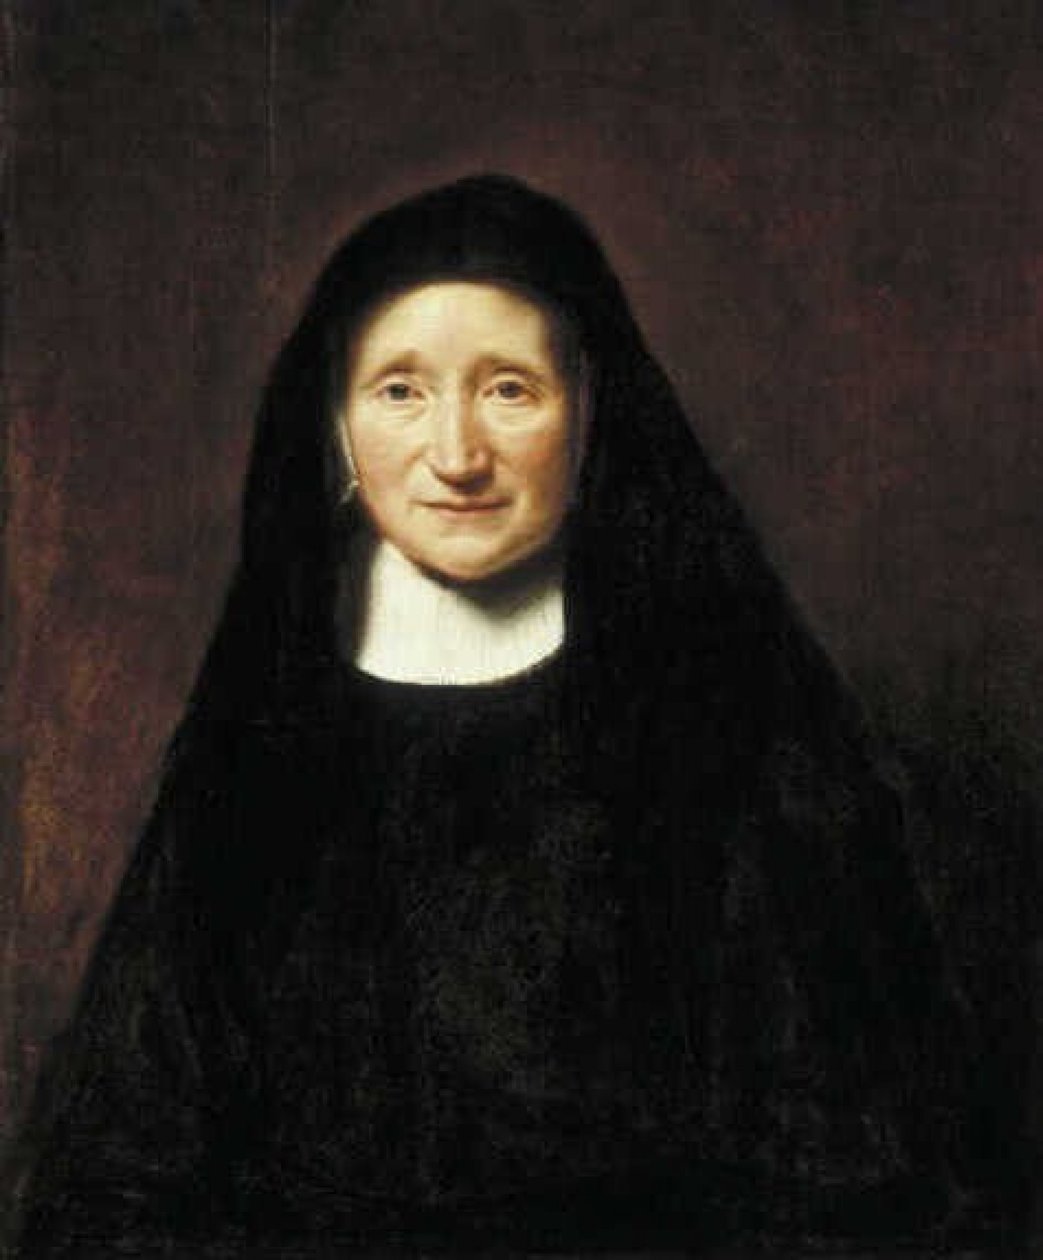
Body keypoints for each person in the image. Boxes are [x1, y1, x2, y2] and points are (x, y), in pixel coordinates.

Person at [9, 175, 999, 1257]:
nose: (456, 455)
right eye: (399, 390)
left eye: (510, 390)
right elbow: (123, 1159)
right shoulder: (261, 729)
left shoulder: (735, 733)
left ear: (592, 411)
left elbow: (861, 1172)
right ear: (334, 423)